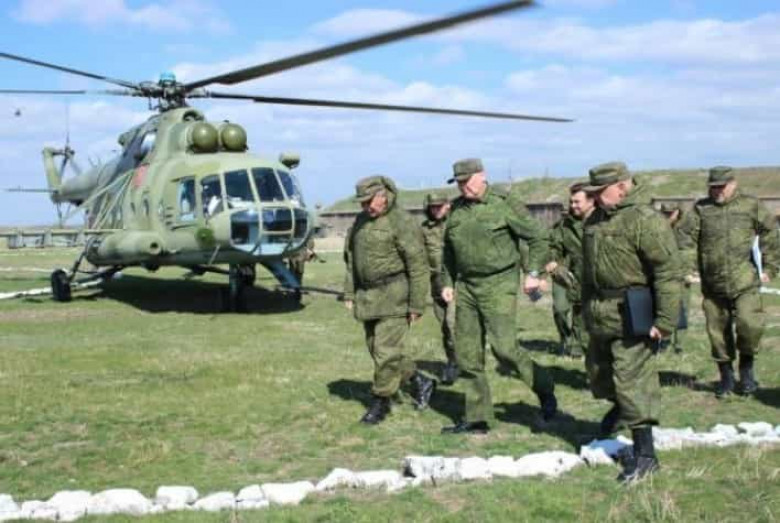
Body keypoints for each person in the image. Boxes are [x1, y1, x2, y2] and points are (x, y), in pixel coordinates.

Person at [439, 158, 557, 435]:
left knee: (504, 349)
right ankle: (478, 417)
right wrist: (448, 281)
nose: (463, 187)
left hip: (499, 282)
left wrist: (533, 272)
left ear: (482, 176)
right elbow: (448, 251)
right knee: (467, 353)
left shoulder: (505, 203)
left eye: (467, 181)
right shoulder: (456, 210)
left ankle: (544, 386)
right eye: (459, 183)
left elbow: (539, 237)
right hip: (467, 286)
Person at [581, 162, 680, 482]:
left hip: (633, 312)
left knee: (633, 380)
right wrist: (586, 310)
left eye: (600, 191)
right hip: (601, 311)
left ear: (622, 187)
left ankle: (645, 456)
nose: (595, 198)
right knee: (599, 375)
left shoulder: (645, 220)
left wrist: (664, 320)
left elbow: (667, 272)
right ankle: (622, 409)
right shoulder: (595, 219)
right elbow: (588, 271)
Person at [678, 166, 780, 398]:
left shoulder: (750, 205)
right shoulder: (701, 209)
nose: (717, 191)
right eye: (713, 187)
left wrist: (771, 267)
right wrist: (687, 268)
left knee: (749, 325)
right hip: (713, 284)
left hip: (745, 281)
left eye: (721, 187)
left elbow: (770, 232)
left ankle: (747, 371)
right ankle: (726, 377)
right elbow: (684, 238)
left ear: (733, 184)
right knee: (717, 332)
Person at [343, 175, 435, 425]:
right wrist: (349, 292)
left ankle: (380, 402)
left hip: (395, 296)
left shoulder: (402, 221)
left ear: (382, 196)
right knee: (379, 351)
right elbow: (351, 260)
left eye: (369, 201)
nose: (365, 207)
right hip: (368, 298)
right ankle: (420, 380)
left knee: (385, 353)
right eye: (362, 203)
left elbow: (418, 266)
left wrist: (417, 303)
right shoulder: (361, 221)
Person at [545, 182, 596, 359]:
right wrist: (553, 262)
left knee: (582, 313)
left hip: (592, 275)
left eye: (577, 202)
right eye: (571, 201)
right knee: (560, 309)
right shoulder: (565, 225)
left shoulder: (602, 221)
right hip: (565, 274)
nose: (573, 206)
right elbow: (554, 245)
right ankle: (566, 338)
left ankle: (577, 346)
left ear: (591, 201)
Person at [421, 192, 459, 385]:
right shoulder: (424, 229)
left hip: (455, 281)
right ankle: (453, 360)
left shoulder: (457, 223)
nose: (436, 209)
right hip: (436, 283)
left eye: (440, 205)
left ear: (448, 205)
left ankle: (458, 364)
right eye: (433, 206)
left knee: (452, 324)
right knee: (445, 327)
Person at [659, 202, 694, 354]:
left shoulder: (686, 227)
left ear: (677, 212)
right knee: (665, 307)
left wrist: (690, 271)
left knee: (683, 308)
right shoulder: (659, 227)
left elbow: (689, 250)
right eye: (665, 213)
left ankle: (679, 344)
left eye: (671, 213)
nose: (668, 216)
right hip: (664, 274)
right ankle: (665, 340)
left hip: (683, 274)